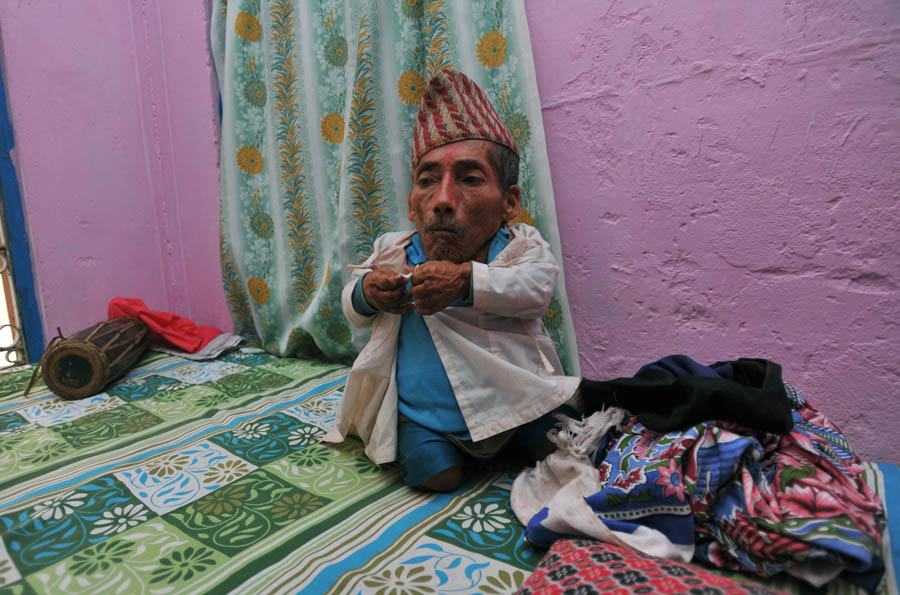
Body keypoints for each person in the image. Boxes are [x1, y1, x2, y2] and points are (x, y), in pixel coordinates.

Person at [323, 68, 580, 492]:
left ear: (509, 202)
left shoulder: (520, 247)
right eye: (427, 181)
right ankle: (440, 444)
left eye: (469, 178)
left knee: (561, 451)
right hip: (428, 416)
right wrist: (369, 293)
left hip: (519, 400)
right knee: (435, 476)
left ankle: (518, 438)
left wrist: (465, 282)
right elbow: (352, 308)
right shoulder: (394, 250)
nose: (442, 200)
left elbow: (536, 292)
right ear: (411, 203)